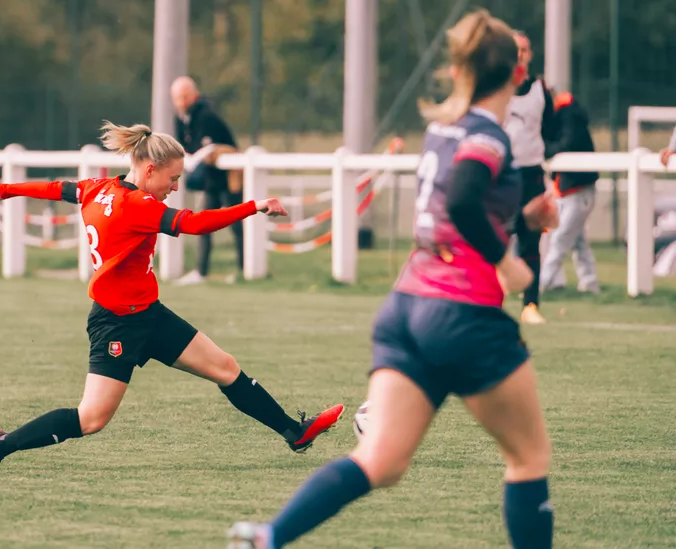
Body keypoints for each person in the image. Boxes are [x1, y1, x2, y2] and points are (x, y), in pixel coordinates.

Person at [227, 10, 557, 549]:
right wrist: (511, 262)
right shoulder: (491, 137)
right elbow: (464, 201)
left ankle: (268, 538)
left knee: (380, 460)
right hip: (464, 313)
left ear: (460, 70)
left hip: (407, 308)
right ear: (519, 75)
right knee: (528, 458)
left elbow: (455, 208)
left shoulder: (442, 130)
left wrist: (524, 219)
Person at [0, 121, 344, 471]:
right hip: (117, 323)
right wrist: (254, 205)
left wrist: (6, 190)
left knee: (226, 368)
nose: (174, 187)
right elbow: (194, 224)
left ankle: (295, 433)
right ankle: (0, 445)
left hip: (149, 314)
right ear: (150, 171)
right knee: (91, 419)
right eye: (173, 178)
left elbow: (57, 188)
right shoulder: (137, 206)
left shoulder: (97, 189)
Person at [504, 31, 559, 325]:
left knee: (531, 242)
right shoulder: (495, 87)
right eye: (515, 50)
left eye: (525, 50)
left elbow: (551, 131)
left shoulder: (540, 90)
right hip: (500, 175)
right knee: (496, 239)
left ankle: (530, 305)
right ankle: (490, 300)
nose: (520, 55)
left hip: (531, 176)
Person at [170, 76, 245, 285]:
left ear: (194, 95)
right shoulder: (181, 118)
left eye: (185, 95)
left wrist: (193, 161)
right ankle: (201, 271)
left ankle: (245, 270)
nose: (181, 100)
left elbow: (211, 147)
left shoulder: (206, 116)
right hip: (210, 180)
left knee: (236, 223)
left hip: (228, 178)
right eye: (177, 97)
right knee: (203, 224)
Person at [539, 91, 600, 294]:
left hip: (577, 189)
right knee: (577, 241)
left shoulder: (568, 117)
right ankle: (590, 285)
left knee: (560, 240)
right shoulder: (567, 116)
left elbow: (565, 144)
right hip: (569, 189)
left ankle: (542, 284)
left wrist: (544, 147)